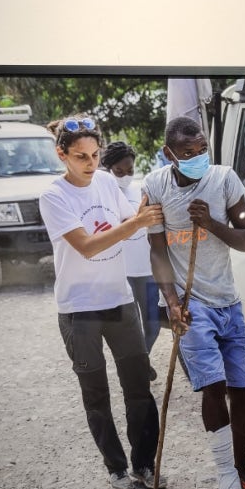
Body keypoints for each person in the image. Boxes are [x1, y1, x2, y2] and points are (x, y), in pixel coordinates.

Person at [39, 115, 167, 489]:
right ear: (62, 155)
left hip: (119, 301)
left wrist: (154, 212)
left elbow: (131, 221)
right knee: (96, 394)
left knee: (139, 386)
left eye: (95, 155)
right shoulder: (53, 196)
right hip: (79, 309)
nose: (91, 163)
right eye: (81, 156)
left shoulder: (108, 182)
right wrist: (136, 223)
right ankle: (116, 468)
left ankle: (145, 464)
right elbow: (88, 244)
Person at [144, 115, 245, 489]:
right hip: (191, 303)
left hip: (228, 303)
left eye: (202, 150)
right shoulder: (155, 186)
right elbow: (158, 252)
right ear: (169, 154)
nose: (197, 157)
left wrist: (212, 223)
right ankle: (227, 480)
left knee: (241, 390)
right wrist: (172, 302)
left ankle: (242, 466)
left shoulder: (225, 179)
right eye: (187, 152)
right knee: (213, 387)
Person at [100, 141, 162, 380]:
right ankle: (137, 370)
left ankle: (139, 363)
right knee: (131, 328)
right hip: (121, 270)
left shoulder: (141, 190)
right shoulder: (103, 194)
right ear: (108, 168)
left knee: (153, 325)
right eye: (119, 171)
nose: (125, 176)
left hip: (147, 269)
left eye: (130, 170)